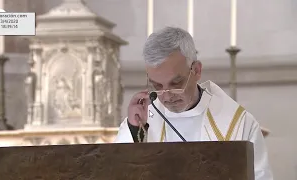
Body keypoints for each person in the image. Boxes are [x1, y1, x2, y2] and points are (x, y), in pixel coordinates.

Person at [114, 27, 273, 180]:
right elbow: (116, 171)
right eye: (157, 86)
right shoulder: (144, 119)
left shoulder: (239, 123)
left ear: (196, 70)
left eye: (176, 83)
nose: (167, 96)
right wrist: (134, 130)